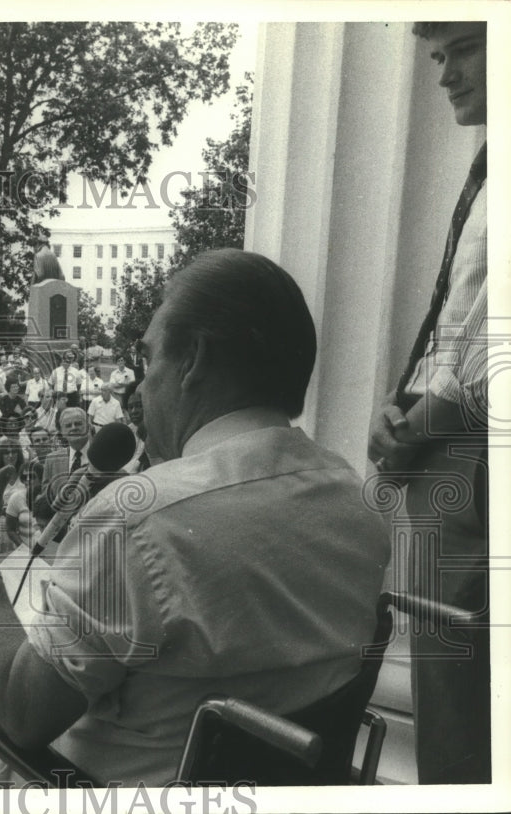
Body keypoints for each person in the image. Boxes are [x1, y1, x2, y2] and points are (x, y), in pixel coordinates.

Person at [0, 249, 391, 786]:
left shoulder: (138, 519)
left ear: (195, 360)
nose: (138, 389)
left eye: (149, 359)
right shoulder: (358, 499)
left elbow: (21, 715)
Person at [366, 21, 489, 784]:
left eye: (465, 46)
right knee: (448, 666)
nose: (446, 73)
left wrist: (423, 417)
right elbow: (461, 307)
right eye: (437, 55)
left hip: (467, 441)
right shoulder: (488, 162)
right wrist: (399, 396)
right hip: (444, 432)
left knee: (457, 679)